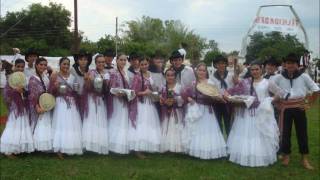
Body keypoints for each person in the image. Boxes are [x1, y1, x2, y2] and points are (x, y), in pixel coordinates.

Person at [225, 60, 285, 167]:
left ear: (261, 69)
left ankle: (260, 156)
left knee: (260, 134)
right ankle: (244, 154)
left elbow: (280, 92)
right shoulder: (246, 81)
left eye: (257, 69)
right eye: (252, 69)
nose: (254, 71)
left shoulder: (267, 82)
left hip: (261, 113)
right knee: (245, 133)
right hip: (247, 112)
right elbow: (235, 88)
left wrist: (270, 100)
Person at [272, 53, 319, 170]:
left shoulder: (304, 76)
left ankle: (304, 159)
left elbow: (316, 90)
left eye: (293, 63)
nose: (290, 65)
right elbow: (270, 87)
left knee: (302, 133)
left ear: (297, 64)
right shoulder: (279, 77)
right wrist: (277, 101)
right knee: (285, 133)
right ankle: (286, 155)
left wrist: (308, 104)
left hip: (299, 107)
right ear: (285, 65)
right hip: (286, 108)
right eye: (288, 63)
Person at [182, 63, 227, 159]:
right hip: (197, 109)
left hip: (207, 110)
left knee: (208, 129)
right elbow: (184, 93)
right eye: (200, 70)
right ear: (196, 71)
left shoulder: (210, 82)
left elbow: (216, 94)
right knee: (196, 130)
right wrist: (189, 99)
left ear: (206, 72)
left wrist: (217, 97)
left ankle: (209, 151)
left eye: (203, 70)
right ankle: (196, 150)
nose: (201, 72)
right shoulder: (193, 83)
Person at [128, 57, 161, 158]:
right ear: (139, 65)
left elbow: (154, 87)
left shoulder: (151, 75)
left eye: (145, 64)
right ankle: (138, 150)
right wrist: (144, 93)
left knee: (149, 125)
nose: (144, 66)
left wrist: (154, 91)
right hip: (141, 104)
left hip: (150, 102)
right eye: (142, 64)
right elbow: (133, 92)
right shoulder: (137, 76)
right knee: (141, 125)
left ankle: (146, 146)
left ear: (148, 64)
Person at [49, 57, 83, 158]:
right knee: (61, 124)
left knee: (72, 124)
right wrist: (55, 86)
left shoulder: (72, 76)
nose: (66, 66)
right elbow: (50, 91)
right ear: (60, 64)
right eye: (64, 64)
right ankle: (59, 149)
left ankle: (70, 147)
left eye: (68, 64)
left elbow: (76, 90)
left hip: (72, 103)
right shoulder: (55, 75)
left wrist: (76, 90)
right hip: (60, 102)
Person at [0, 60, 34, 157]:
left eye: (22, 67)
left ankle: (18, 147)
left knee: (22, 126)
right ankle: (8, 150)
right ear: (14, 67)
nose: (20, 68)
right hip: (15, 107)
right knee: (13, 126)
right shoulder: (11, 79)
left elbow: (29, 93)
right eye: (18, 66)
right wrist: (15, 91)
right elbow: (6, 94)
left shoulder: (26, 78)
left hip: (24, 106)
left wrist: (23, 91)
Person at [81, 54, 109, 154]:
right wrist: (88, 80)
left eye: (102, 62)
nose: (101, 64)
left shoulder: (107, 73)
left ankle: (99, 145)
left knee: (100, 121)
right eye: (99, 62)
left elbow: (107, 88)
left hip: (101, 100)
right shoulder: (92, 72)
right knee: (91, 120)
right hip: (92, 99)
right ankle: (89, 145)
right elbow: (88, 87)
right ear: (95, 63)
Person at [107, 53, 131, 154]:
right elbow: (109, 88)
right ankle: (112, 145)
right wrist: (118, 92)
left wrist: (128, 93)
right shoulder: (112, 72)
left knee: (123, 121)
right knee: (116, 120)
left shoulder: (126, 72)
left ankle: (121, 144)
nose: (123, 62)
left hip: (124, 100)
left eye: (125, 60)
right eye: (121, 60)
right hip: (116, 101)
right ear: (116, 60)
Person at [28, 57, 53, 152]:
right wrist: (37, 107)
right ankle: (33, 145)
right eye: (41, 64)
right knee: (35, 125)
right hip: (37, 106)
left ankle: (43, 145)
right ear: (36, 65)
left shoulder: (45, 76)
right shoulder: (33, 78)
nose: (43, 66)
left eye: (45, 65)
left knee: (44, 126)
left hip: (45, 104)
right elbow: (32, 95)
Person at [159, 68, 185, 153]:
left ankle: (177, 147)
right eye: (168, 75)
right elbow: (160, 98)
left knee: (175, 127)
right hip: (166, 111)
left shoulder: (179, 87)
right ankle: (166, 146)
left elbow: (183, 99)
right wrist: (163, 101)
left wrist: (175, 100)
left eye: (172, 75)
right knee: (166, 127)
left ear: (175, 76)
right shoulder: (163, 87)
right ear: (165, 76)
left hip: (176, 111)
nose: (170, 77)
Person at [210, 55, 236, 136]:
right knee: (218, 124)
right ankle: (220, 142)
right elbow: (211, 91)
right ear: (215, 65)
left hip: (228, 103)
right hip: (216, 103)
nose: (221, 65)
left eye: (223, 63)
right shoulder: (212, 77)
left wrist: (229, 94)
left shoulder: (231, 75)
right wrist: (218, 96)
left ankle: (229, 142)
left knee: (229, 123)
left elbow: (235, 88)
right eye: (219, 64)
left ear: (226, 64)